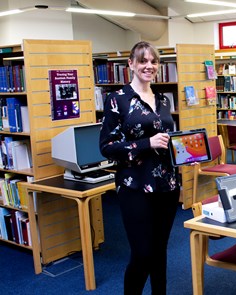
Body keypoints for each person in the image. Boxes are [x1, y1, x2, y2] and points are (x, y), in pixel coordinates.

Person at [99, 41, 180, 295]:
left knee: (159, 250)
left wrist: (186, 150)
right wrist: (147, 143)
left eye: (153, 61)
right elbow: (107, 147)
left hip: (167, 184)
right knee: (142, 253)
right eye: (143, 61)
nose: (149, 66)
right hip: (134, 185)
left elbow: (166, 138)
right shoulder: (117, 100)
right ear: (131, 65)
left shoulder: (163, 99)